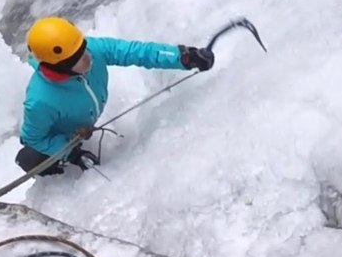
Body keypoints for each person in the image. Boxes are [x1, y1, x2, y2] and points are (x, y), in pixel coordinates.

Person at [15, 16, 215, 175]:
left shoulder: (91, 50)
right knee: (29, 159)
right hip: (64, 136)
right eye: (78, 59)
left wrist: (182, 58)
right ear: (60, 67)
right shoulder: (41, 100)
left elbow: (135, 52)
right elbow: (33, 138)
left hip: (84, 118)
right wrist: (72, 153)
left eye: (84, 49)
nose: (88, 57)